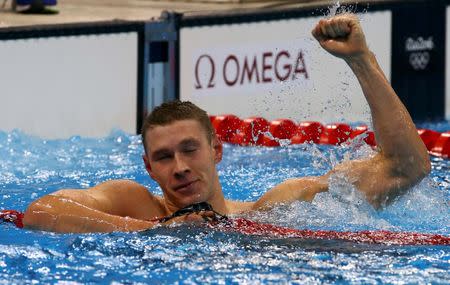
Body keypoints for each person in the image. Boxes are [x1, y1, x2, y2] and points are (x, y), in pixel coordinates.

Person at [22, 14, 431, 233]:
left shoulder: (275, 210)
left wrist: (361, 60)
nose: (179, 166)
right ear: (148, 167)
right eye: (163, 157)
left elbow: (407, 168)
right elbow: (41, 211)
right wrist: (152, 232)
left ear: (216, 150)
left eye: (189, 149)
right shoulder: (136, 205)